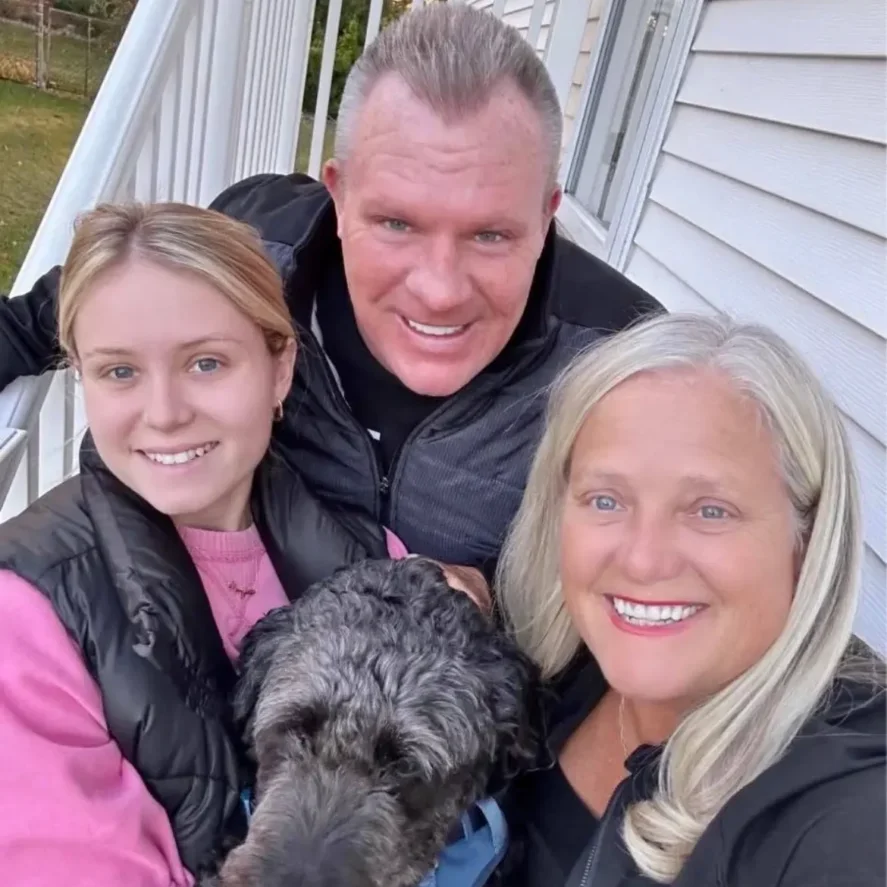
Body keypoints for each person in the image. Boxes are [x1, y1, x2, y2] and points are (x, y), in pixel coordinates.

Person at [0, 3, 661, 577]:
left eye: (490, 235)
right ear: (338, 195)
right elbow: (56, 316)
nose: (437, 290)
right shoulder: (257, 250)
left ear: (546, 215)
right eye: (396, 223)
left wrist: (492, 613)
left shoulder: (627, 362)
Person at [0, 202, 418, 887]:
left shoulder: (373, 560)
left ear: (279, 368)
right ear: (81, 377)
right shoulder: (26, 614)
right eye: (120, 372)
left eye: (205, 362)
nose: (164, 412)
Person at [494, 313, 886, 886]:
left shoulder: (843, 809)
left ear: (806, 539)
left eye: (710, 510)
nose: (643, 560)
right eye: (606, 500)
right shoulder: (550, 667)